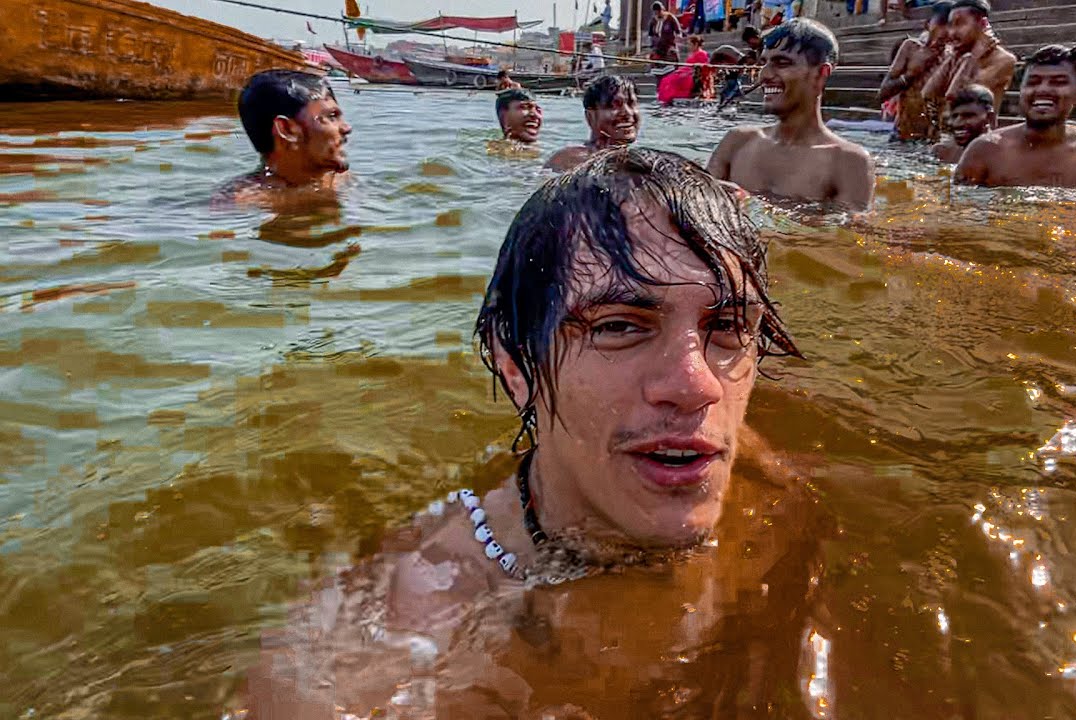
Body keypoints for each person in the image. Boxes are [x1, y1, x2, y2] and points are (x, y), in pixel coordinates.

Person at [244, 149, 817, 718]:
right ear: (515, 367)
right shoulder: (401, 638)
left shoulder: (752, 469)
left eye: (727, 326)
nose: (698, 387)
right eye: (619, 326)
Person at [707, 19, 876, 211]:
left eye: (781, 63)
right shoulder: (736, 142)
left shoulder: (847, 161)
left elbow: (845, 238)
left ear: (820, 74)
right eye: (763, 63)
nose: (765, 75)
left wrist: (751, 205)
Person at [955, 45, 1076, 188]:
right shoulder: (985, 150)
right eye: (1033, 82)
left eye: (1058, 82)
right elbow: (959, 212)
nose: (1042, 90)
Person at [215, 70, 352, 203]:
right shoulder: (241, 201)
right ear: (286, 130)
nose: (347, 128)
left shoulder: (340, 181)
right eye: (332, 116)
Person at [923, 0, 1016, 122]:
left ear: (983, 24)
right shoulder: (958, 56)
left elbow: (955, 99)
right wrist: (953, 58)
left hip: (979, 137)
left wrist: (972, 58)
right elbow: (927, 94)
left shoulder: (1003, 60)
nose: (952, 33)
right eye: (950, 25)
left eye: (960, 24)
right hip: (948, 135)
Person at [878, 1, 953, 141]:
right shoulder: (910, 48)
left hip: (933, 141)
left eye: (951, 26)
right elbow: (883, 93)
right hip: (902, 136)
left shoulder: (952, 58)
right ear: (928, 24)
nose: (945, 31)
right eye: (941, 24)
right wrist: (910, 75)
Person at [546, 75, 641, 171]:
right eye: (613, 106)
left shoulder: (640, 162)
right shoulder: (570, 161)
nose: (627, 113)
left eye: (631, 103)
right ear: (590, 116)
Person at [932, 83, 995, 163]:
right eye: (954, 116)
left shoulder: (1003, 154)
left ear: (989, 118)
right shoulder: (941, 152)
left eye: (968, 116)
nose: (957, 124)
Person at [657, 34, 712, 104]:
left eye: (690, 44)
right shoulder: (693, 53)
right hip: (686, 72)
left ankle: (670, 96)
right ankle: (664, 99)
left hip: (692, 74)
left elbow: (702, 67)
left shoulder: (702, 54)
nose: (689, 47)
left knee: (671, 80)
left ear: (695, 44)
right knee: (666, 79)